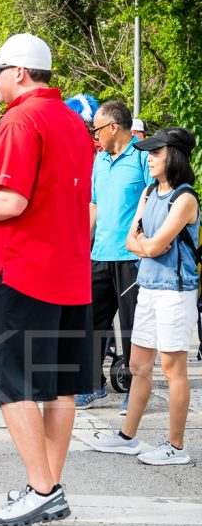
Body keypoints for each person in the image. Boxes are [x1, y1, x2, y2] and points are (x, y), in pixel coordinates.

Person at [0, 33, 96, 526]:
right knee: (60, 387)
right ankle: (46, 484)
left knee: (15, 384)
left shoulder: (19, 119)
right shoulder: (75, 122)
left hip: (20, 269)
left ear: (21, 74)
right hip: (71, 269)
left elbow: (10, 203)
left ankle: (42, 488)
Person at [88, 127, 198, 465]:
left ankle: (176, 446)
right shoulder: (150, 192)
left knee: (172, 369)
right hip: (148, 287)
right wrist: (144, 244)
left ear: (174, 156)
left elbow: (149, 243)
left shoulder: (185, 199)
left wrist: (143, 244)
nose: (148, 158)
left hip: (175, 292)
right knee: (138, 366)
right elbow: (131, 241)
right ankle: (127, 436)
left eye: (155, 153)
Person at [79, 100, 153, 412]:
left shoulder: (143, 156)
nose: (94, 136)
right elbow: (94, 203)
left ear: (113, 127)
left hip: (132, 256)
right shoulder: (99, 160)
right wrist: (80, 239)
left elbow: (154, 199)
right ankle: (92, 385)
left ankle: (135, 392)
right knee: (91, 321)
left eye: (96, 129)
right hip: (100, 253)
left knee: (133, 326)